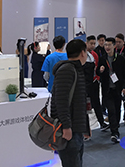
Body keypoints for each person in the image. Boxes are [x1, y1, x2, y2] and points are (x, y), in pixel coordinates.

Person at [50, 39, 90, 167]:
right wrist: (66, 127)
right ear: (82, 53)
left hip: (76, 127)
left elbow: (78, 101)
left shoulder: (76, 69)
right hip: (69, 129)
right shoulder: (67, 70)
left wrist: (85, 126)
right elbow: (61, 101)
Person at [98, 37, 125, 143]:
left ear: (114, 46)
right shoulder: (102, 59)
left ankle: (115, 127)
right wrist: (100, 70)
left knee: (117, 109)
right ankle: (114, 133)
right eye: (105, 45)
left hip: (117, 89)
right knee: (111, 110)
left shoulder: (120, 59)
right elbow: (97, 72)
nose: (107, 47)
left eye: (109, 45)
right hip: (107, 90)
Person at [84, 35, 107, 130]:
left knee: (96, 102)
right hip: (85, 83)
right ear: (86, 43)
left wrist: (97, 77)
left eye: (94, 43)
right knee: (85, 105)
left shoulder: (95, 54)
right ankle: (85, 127)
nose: (93, 45)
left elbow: (97, 68)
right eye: (91, 43)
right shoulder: (82, 54)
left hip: (94, 82)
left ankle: (102, 123)